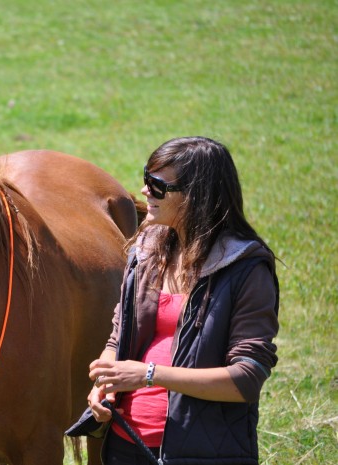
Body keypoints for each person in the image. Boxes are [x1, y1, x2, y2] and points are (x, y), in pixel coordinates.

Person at [66, 136, 280, 464]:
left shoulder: (246, 269)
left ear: (197, 196)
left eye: (157, 185)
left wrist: (150, 374)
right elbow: (118, 336)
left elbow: (247, 378)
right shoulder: (147, 251)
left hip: (200, 452)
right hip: (125, 441)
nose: (145, 192)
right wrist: (106, 383)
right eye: (145, 179)